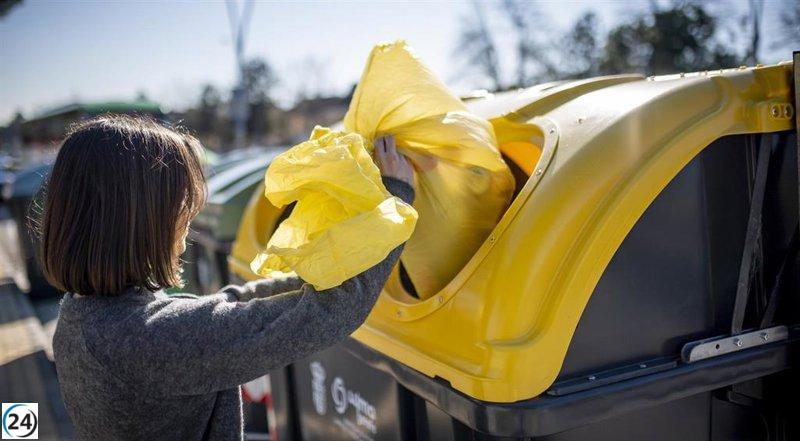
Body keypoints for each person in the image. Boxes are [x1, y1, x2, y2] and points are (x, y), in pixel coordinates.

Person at [45, 115, 415, 440]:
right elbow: (332, 311)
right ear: (140, 221)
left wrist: (314, 272)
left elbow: (227, 306)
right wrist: (397, 198)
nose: (187, 225)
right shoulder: (151, 342)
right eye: (181, 208)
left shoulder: (82, 316)